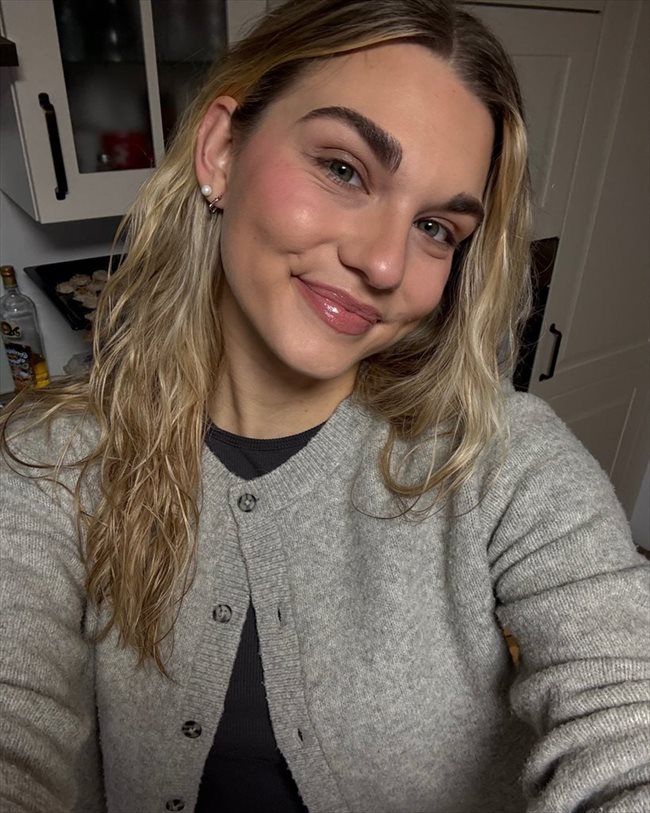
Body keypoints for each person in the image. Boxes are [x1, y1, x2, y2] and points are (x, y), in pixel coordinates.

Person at [1, 0, 648, 811]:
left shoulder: (498, 457)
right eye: (344, 170)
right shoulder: (57, 458)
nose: (384, 263)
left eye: (436, 227)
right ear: (222, 151)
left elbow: (629, 707)